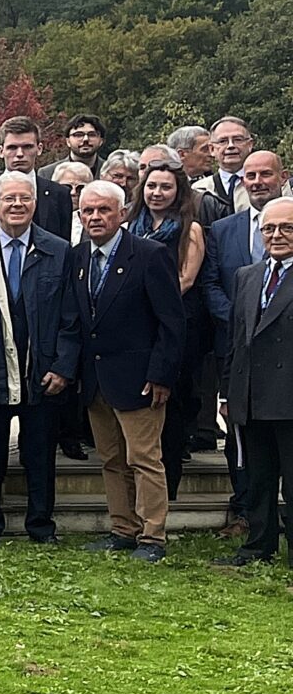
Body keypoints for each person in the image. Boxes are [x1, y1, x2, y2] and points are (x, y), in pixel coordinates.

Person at [0, 173, 80, 548]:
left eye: (24, 198)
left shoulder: (59, 251)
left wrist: (63, 367)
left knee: (40, 457)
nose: (17, 205)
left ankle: (41, 526)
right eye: (9, 199)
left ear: (35, 204)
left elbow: (72, 316)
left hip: (42, 372)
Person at [75, 180, 186, 559]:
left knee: (144, 459)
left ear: (122, 214)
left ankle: (153, 536)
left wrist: (161, 375)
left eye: (104, 210)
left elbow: (172, 322)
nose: (95, 217)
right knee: (111, 460)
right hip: (96, 380)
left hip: (140, 380)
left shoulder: (150, 254)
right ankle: (123, 529)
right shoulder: (79, 258)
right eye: (88, 210)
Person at [130, 159, 228, 495]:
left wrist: (149, 299)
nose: (157, 193)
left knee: (171, 405)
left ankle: (168, 484)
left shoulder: (190, 229)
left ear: (179, 191)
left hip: (178, 322)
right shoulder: (131, 226)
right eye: (151, 186)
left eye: (165, 187)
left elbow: (186, 278)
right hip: (139, 324)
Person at [222, 199, 293, 567]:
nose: (276, 235)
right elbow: (236, 338)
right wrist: (227, 393)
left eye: (287, 228)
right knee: (258, 477)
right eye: (269, 228)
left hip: (288, 394)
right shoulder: (247, 275)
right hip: (249, 394)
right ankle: (258, 547)